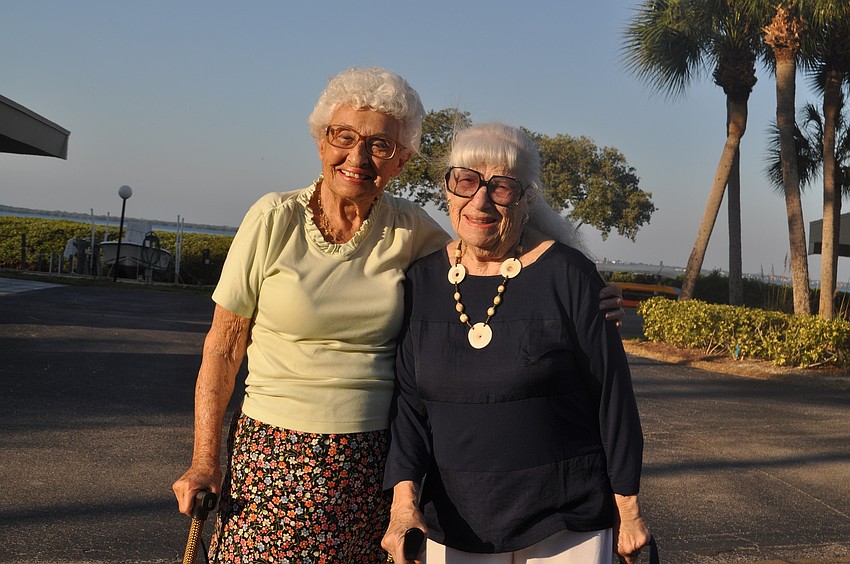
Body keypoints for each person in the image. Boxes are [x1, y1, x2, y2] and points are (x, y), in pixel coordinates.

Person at [172, 68, 626, 563]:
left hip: (373, 464)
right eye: (344, 136)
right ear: (321, 141)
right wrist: (204, 460)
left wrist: (582, 287)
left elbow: (490, 244)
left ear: (402, 159)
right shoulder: (271, 219)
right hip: (271, 457)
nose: (358, 157)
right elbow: (224, 344)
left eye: (381, 146)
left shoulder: (413, 232)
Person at [382, 123, 649, 564]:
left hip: (565, 519)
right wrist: (403, 504)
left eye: (501, 186)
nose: (480, 200)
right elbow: (409, 408)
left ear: (526, 199)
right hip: (452, 520)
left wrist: (629, 509)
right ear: (448, 189)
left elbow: (613, 399)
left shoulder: (569, 275)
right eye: (466, 180)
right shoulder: (422, 279)